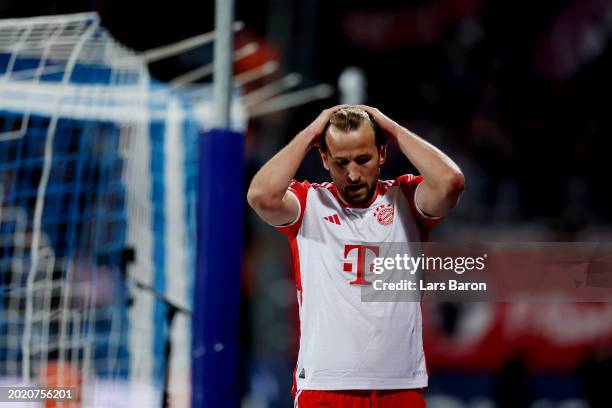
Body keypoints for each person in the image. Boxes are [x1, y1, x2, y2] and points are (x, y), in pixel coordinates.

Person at [247, 105, 464, 407]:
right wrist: (311, 133)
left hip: (399, 387)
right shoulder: (310, 203)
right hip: (325, 388)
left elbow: (450, 182)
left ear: (382, 154)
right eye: (341, 162)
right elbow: (261, 196)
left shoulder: (406, 201)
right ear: (324, 159)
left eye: (363, 159)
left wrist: (393, 130)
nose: (353, 174)